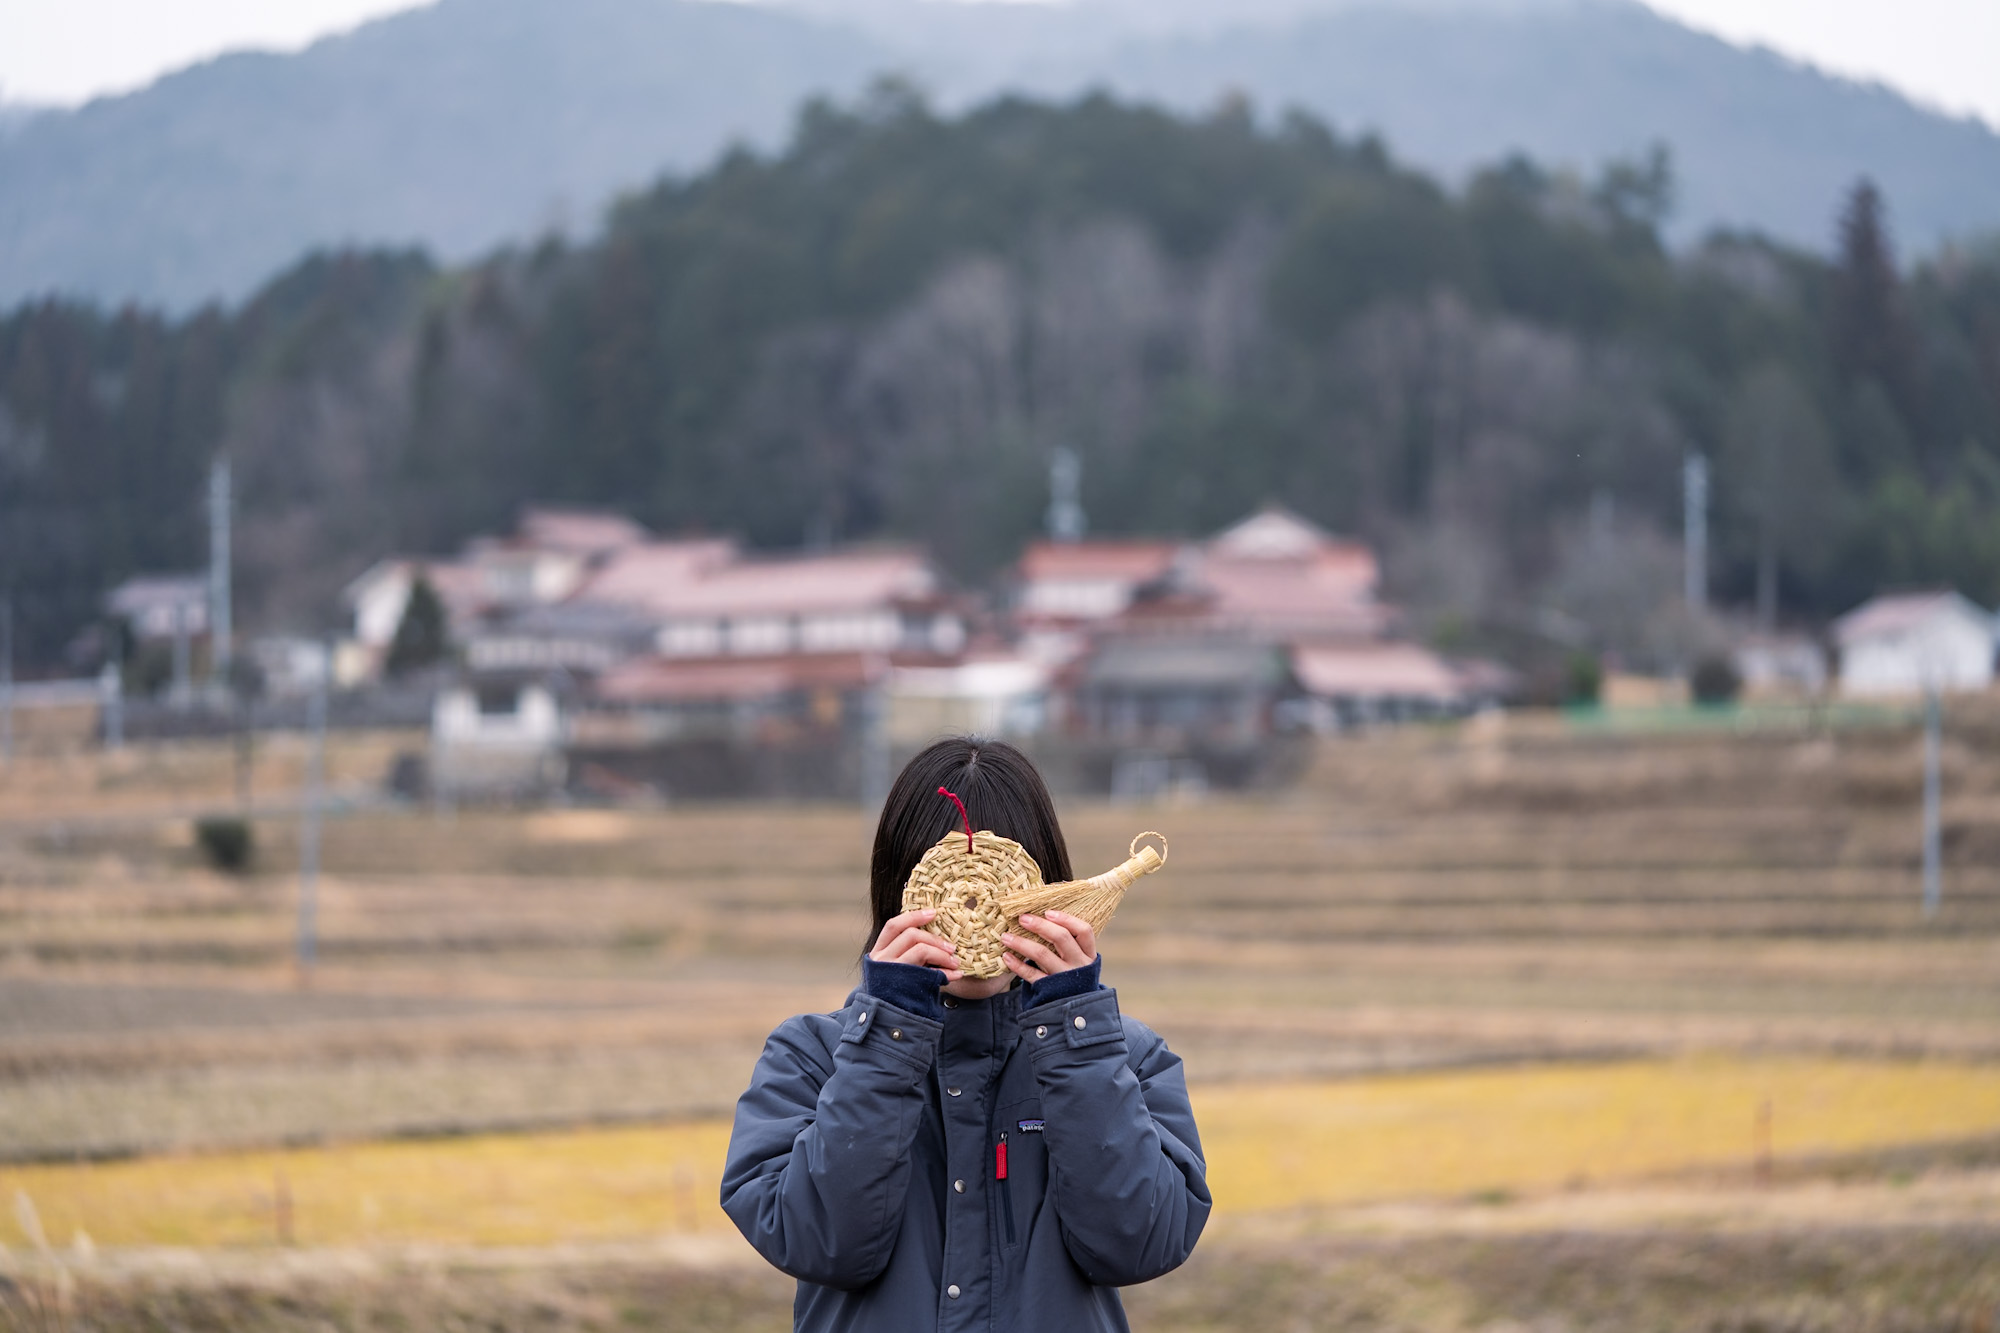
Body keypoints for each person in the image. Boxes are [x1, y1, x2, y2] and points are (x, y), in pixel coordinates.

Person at [721, 736, 1210, 1331]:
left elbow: (1141, 1243)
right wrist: (888, 1037)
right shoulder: (812, 1056)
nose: (977, 917)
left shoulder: (1124, 1058)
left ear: (1054, 889)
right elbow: (816, 1239)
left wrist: (1074, 1035)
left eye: (1011, 894)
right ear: (897, 891)